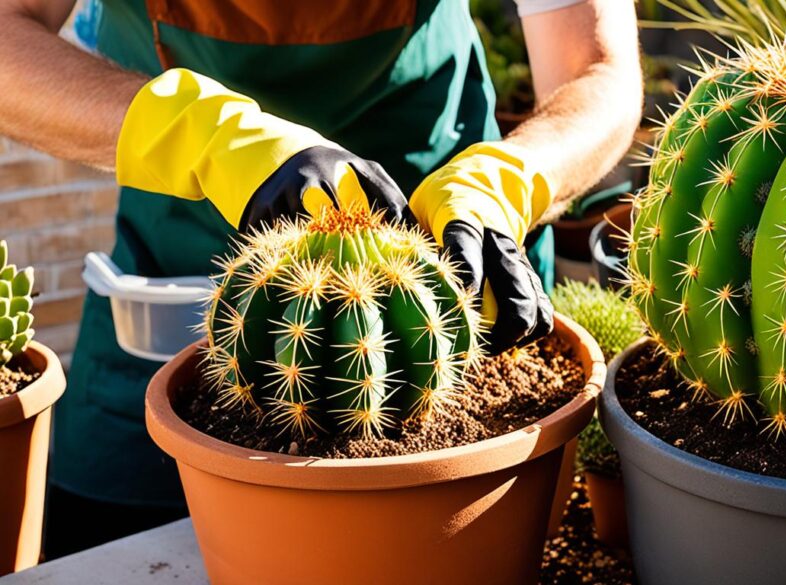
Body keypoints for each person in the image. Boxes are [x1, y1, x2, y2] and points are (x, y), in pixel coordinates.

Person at [0, 0, 642, 556]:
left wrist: (509, 179)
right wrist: (199, 134)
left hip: (445, 282)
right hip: (173, 270)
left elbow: (598, 70)